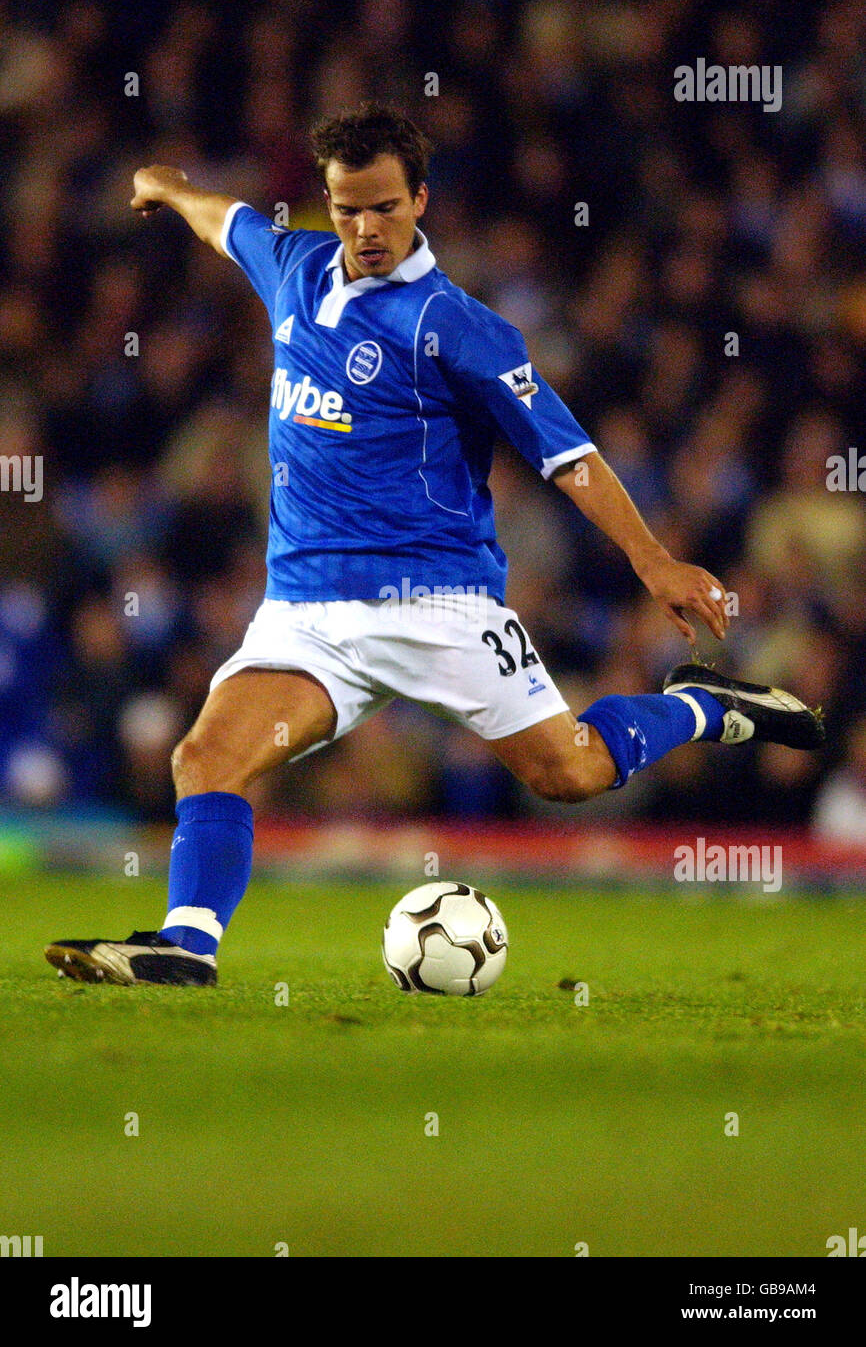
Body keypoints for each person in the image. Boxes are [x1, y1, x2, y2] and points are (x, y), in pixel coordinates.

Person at [45, 105, 823, 987]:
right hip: (304, 613)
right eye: (347, 209)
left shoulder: (460, 328)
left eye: (384, 207)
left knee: (568, 773)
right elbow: (222, 218)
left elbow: (568, 459)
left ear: (421, 199)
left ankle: (700, 707)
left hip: (438, 605)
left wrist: (654, 561)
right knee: (204, 756)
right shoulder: (291, 264)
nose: (366, 229)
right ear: (324, 206)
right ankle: (185, 947)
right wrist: (169, 187)